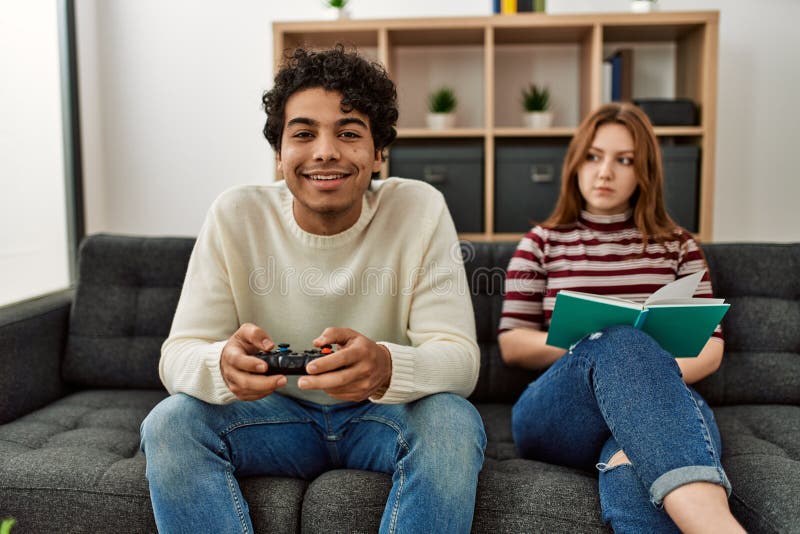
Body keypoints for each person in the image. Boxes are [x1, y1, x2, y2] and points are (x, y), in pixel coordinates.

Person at [140, 46, 486, 533]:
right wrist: (220, 364)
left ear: (379, 152)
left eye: (349, 133)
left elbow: (461, 361)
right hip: (272, 420)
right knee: (170, 422)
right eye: (304, 134)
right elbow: (177, 356)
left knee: (452, 420)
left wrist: (386, 366)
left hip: (381, 418)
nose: (326, 151)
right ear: (280, 154)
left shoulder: (420, 208)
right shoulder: (235, 214)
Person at [498, 103, 745, 533]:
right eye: (593, 157)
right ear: (576, 164)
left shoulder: (679, 247)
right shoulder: (541, 243)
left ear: (643, 171)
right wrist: (600, 352)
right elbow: (513, 344)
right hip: (558, 412)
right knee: (620, 341)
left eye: (624, 160)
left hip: (662, 401)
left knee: (635, 453)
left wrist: (646, 378)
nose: (605, 172)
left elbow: (711, 347)